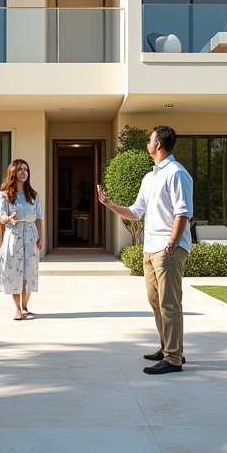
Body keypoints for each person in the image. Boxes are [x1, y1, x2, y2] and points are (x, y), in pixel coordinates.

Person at [98, 125, 193, 374]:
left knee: (169, 304)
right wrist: (109, 204)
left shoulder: (177, 173)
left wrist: (171, 244)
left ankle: (173, 358)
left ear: (158, 144)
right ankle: (168, 348)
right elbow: (135, 212)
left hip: (168, 249)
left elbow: (182, 213)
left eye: (150, 139)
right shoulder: (150, 177)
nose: (147, 143)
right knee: (156, 302)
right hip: (150, 249)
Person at [0, 159, 44, 320]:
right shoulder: (5, 195)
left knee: (29, 271)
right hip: (13, 236)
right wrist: (8, 217)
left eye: (26, 170)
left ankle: (25, 306)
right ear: (13, 172)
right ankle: (17, 309)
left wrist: (41, 237)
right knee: (14, 272)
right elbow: (0, 217)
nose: (23, 172)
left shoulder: (33, 195)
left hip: (31, 235)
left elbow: (39, 218)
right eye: (20, 169)